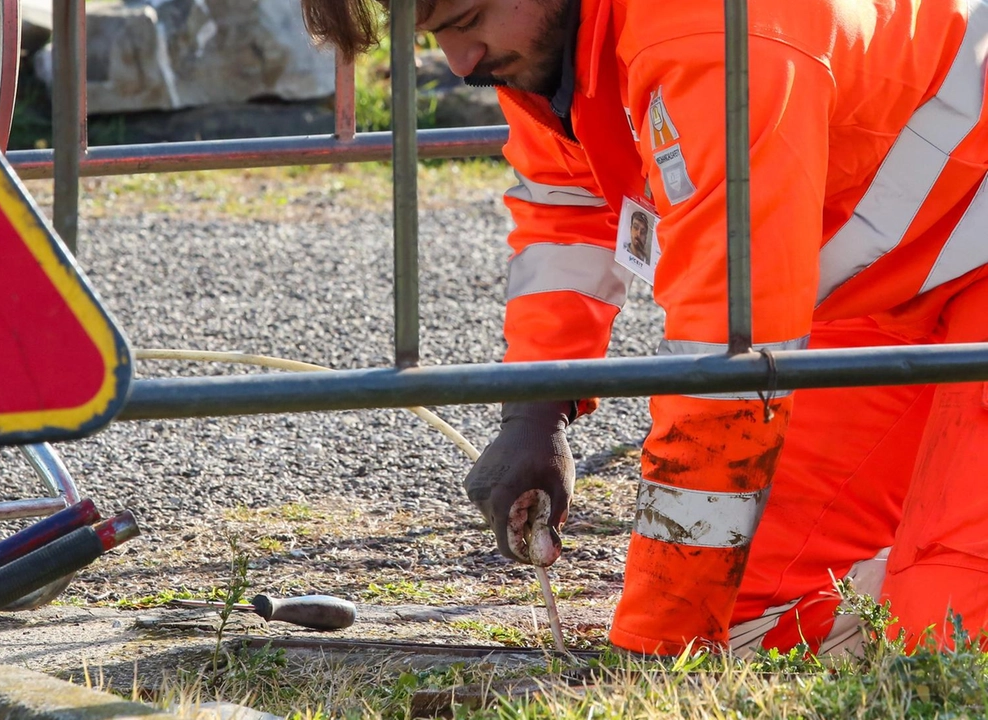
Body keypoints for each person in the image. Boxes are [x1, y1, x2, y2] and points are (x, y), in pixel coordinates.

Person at [300, 0, 988, 656]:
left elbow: (728, 373)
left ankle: (930, 577)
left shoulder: (715, 38)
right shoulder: (558, 40)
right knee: (742, 611)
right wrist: (535, 406)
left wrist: (655, 651)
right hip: (891, 295)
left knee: (950, 631)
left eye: (469, 21)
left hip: (960, 272)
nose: (459, 60)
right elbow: (566, 203)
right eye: (434, 35)